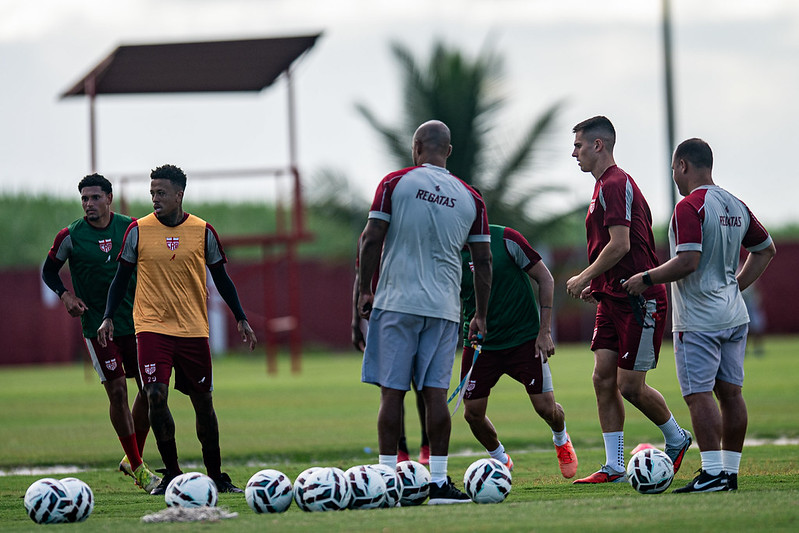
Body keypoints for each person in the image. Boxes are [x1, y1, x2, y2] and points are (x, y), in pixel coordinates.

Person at [623, 138, 775, 492]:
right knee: (731, 394)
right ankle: (729, 474)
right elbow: (766, 250)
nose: (674, 176)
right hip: (734, 315)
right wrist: (735, 285)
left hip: (699, 319)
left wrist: (646, 278)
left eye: (673, 169)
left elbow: (687, 261)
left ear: (683, 166)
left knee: (698, 394)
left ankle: (711, 473)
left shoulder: (689, 207)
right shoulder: (735, 204)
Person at [97, 164, 257, 495]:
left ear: (179, 195)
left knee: (204, 403)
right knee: (154, 395)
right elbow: (120, 279)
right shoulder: (138, 230)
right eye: (152, 193)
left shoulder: (203, 231)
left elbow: (222, 279)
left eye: (161, 193)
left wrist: (241, 317)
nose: (155, 198)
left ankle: (216, 475)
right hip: (151, 328)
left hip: (193, 330)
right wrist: (108, 316)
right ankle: (172, 473)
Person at [358, 120, 492, 504]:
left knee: (392, 394)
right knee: (435, 395)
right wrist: (481, 315)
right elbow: (483, 261)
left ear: (416, 147)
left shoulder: (394, 183)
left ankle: (386, 482)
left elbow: (371, 238)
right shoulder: (471, 197)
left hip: (396, 302)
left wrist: (365, 290)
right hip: (444, 309)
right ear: (448, 151)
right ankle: (438, 483)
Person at [565, 116, 692, 484]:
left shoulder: (615, 183)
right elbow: (615, 248)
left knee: (630, 386)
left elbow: (620, 245)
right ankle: (615, 466)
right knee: (602, 378)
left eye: (578, 145)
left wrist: (584, 276)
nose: (574, 153)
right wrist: (598, 283)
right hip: (613, 298)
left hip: (640, 300)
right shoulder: (601, 187)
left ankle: (677, 437)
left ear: (598, 145)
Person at [42, 173, 160, 493]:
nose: (89, 204)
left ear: (109, 198)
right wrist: (65, 296)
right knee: (118, 392)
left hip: (137, 323)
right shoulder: (70, 236)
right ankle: (138, 467)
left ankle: (132, 458)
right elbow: (49, 270)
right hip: (98, 327)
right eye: (84, 198)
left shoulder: (131, 228)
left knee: (152, 390)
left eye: (95, 197)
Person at [459, 223, 578, 478]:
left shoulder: (506, 239)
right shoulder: (447, 249)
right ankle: (501, 461)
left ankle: (561, 439)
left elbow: (546, 278)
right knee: (473, 414)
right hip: (481, 345)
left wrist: (544, 331)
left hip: (524, 340)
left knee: (546, 408)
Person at [351, 235, 430, 465]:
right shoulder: (368, 236)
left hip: (418, 311)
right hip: (382, 317)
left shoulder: (412, 229)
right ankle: (400, 448)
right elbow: (360, 278)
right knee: (392, 387)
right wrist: (355, 322)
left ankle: (427, 445)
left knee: (423, 384)